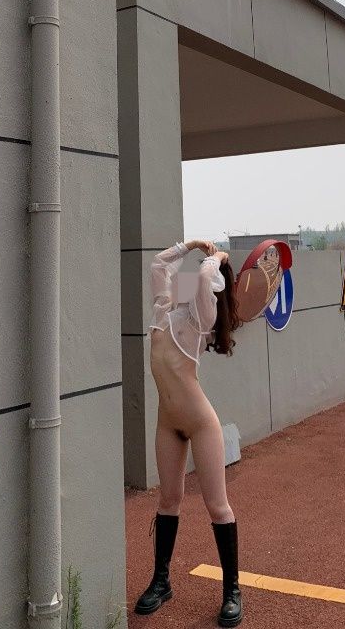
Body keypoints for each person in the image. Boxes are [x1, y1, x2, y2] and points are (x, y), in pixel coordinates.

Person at [134, 239, 244, 627]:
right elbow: (158, 264)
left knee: (217, 506)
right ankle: (161, 581)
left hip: (200, 422)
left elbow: (202, 278)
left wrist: (218, 257)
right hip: (168, 422)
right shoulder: (163, 309)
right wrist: (191, 245)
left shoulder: (201, 316)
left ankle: (232, 590)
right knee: (168, 500)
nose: (181, 283)